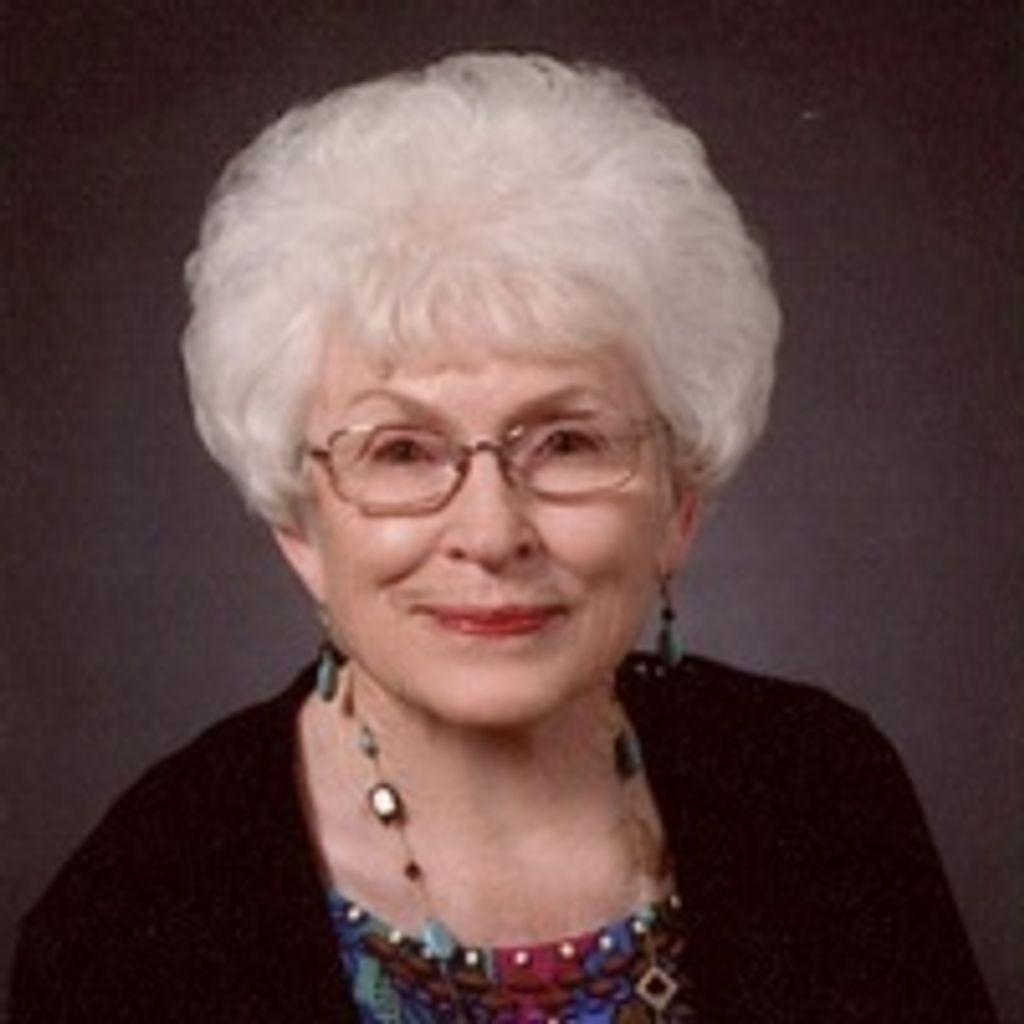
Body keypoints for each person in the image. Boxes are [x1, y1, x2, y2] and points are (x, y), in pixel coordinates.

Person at [10, 52, 994, 1023]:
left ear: (679, 501)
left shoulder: (821, 790)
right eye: (402, 451)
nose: (490, 534)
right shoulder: (134, 914)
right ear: (298, 523)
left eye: (567, 442)